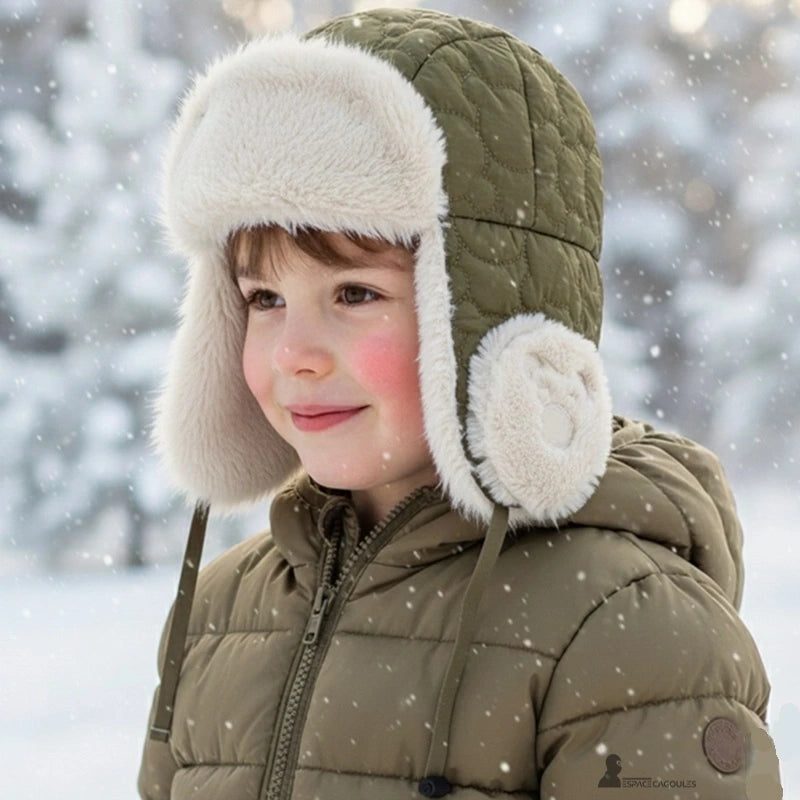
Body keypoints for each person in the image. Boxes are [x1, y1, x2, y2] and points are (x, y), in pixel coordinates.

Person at [138, 7, 782, 799]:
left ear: (486, 315)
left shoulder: (627, 623)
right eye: (264, 297)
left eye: (355, 292)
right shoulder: (222, 610)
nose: (294, 354)